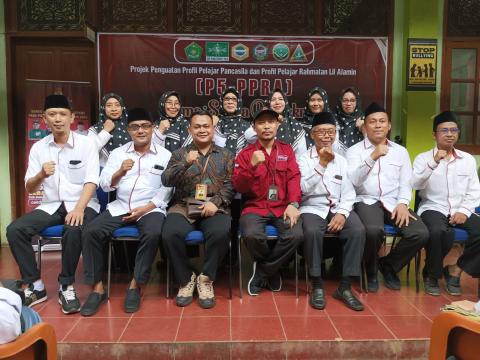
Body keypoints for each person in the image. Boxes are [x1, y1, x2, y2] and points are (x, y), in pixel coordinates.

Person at [6, 94, 100, 314]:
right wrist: (40, 174)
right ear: (45, 119)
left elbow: (92, 180)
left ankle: (66, 285)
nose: (58, 119)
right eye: (52, 114)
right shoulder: (39, 148)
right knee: (15, 230)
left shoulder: (87, 144)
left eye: (63, 114)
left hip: (82, 202)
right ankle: (35, 285)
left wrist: (79, 208)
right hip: (52, 205)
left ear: (72, 118)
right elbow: (30, 187)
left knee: (74, 227)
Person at [80, 108, 172, 316]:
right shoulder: (118, 153)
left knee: (153, 233)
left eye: (145, 126)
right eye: (135, 127)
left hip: (150, 208)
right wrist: (120, 172)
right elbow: (104, 186)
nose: (140, 130)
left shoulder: (166, 155)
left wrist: (147, 208)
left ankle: (136, 285)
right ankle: (97, 289)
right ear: (129, 130)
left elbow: (168, 188)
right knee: (90, 231)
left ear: (152, 128)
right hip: (120, 206)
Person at [346, 102, 428, 292]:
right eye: (372, 122)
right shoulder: (354, 151)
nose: (377, 125)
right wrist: (372, 156)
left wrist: (403, 203)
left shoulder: (401, 152)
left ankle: (389, 265)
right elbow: (354, 181)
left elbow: (406, 183)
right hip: (366, 200)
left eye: (382, 121)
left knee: (420, 233)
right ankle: (371, 270)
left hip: (393, 202)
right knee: (373, 230)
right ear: (365, 126)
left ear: (389, 125)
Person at [161, 110, 234, 309]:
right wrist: (185, 163)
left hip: (214, 205)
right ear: (190, 130)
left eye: (206, 126)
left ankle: (206, 278)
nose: (202, 130)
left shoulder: (226, 154)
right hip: (183, 204)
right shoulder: (179, 154)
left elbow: (230, 184)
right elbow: (166, 180)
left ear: (213, 128)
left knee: (220, 232)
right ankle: (186, 279)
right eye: (197, 126)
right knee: (169, 234)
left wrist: (216, 202)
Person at [298, 112, 365, 311]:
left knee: (357, 230)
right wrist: (322, 164)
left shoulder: (342, 161)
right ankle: (317, 282)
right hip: (311, 206)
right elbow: (302, 189)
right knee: (311, 231)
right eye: (322, 132)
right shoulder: (303, 159)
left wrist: (343, 213)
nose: (327, 136)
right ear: (312, 134)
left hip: (337, 207)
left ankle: (344, 287)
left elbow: (349, 192)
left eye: (331, 132)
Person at [233, 109, 303, 296]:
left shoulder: (286, 150)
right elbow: (238, 186)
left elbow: (294, 178)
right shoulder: (246, 153)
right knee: (251, 234)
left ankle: (263, 272)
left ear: (277, 125)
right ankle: (272, 271)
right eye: (261, 122)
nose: (266, 126)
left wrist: (293, 203)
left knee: (296, 234)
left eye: (270, 122)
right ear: (254, 127)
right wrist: (251, 166)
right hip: (255, 207)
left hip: (282, 207)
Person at [411, 110, 480, 296]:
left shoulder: (467, 160)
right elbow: (414, 184)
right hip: (433, 207)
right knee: (436, 230)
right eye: (444, 130)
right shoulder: (423, 158)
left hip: (460, 208)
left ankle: (455, 271)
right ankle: (431, 276)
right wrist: (433, 162)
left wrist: (464, 211)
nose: (449, 134)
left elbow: (474, 190)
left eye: (454, 130)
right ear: (434, 134)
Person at [245, 88, 307, 157]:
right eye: (273, 100)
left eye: (281, 99)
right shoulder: (261, 119)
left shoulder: (294, 125)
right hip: (262, 163)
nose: (277, 102)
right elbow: (248, 136)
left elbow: (301, 155)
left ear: (285, 102)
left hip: (288, 165)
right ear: (269, 103)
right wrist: (273, 118)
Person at [88, 93, 130, 167]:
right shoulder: (95, 129)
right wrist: (105, 131)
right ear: (103, 108)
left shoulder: (131, 127)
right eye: (109, 105)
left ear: (122, 108)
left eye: (117, 105)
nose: (114, 109)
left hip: (129, 173)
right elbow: (88, 151)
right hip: (104, 172)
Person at [214, 86, 251, 155]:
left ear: (239, 102)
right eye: (227, 99)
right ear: (222, 102)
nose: (230, 102)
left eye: (234, 99)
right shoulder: (215, 124)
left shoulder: (247, 126)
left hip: (240, 165)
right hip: (216, 164)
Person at [334, 87, 365, 155]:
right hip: (337, 160)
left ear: (357, 102)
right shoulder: (333, 120)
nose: (348, 104)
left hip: (359, 159)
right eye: (345, 100)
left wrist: (364, 128)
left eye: (352, 100)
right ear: (340, 102)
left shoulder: (363, 120)